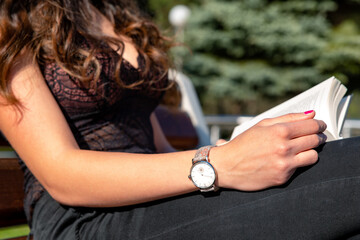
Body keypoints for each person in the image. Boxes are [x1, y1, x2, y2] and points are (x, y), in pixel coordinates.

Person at [0, 1, 360, 239]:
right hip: (84, 219)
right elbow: (62, 175)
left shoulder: (117, 9)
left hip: (156, 200)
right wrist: (219, 165)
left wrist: (224, 154)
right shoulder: (12, 15)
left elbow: (151, 142)